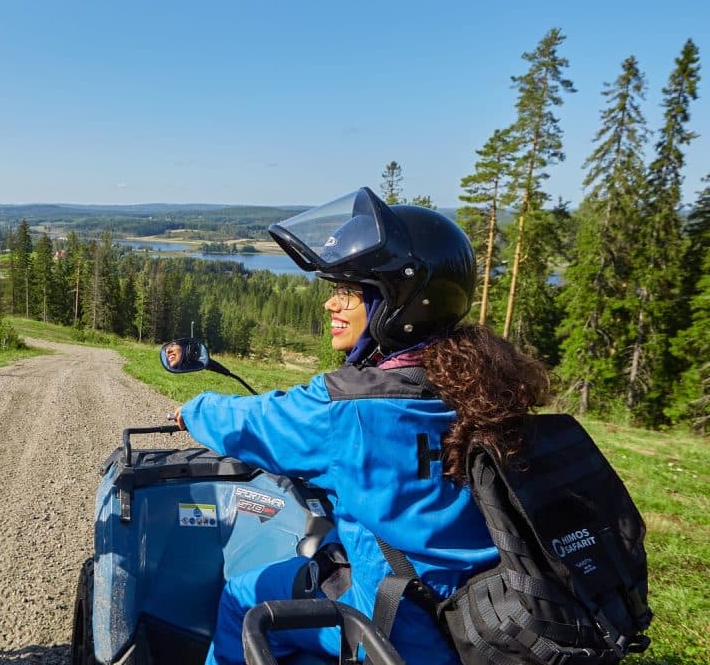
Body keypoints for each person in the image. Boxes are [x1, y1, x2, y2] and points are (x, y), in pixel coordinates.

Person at [172, 188, 551, 665]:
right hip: (485, 619)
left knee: (242, 596)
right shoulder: (479, 387)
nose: (332, 305)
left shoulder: (351, 408)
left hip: (394, 622)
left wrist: (193, 409)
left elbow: (254, 422)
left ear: (398, 304)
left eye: (348, 292)